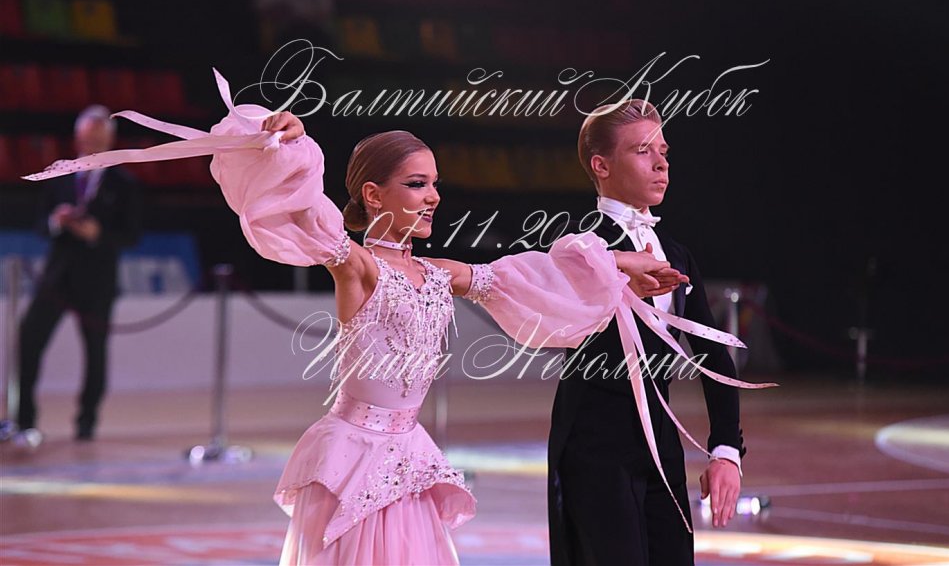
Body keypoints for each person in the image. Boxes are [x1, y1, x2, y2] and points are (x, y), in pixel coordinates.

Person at [23, 71, 719, 565]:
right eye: (416, 184)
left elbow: (524, 272)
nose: (433, 197)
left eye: (435, 183)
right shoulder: (356, 265)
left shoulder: (438, 272)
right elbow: (307, 215)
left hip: (408, 460)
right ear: (374, 195)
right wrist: (287, 142)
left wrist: (620, 266)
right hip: (354, 459)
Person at [547, 99, 755, 565]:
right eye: (643, 151)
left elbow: (714, 354)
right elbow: (558, 268)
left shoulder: (676, 255)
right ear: (601, 166)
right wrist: (617, 267)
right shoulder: (580, 247)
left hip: (662, 445)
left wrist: (725, 450)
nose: (661, 164)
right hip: (594, 449)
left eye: (663, 151)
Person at [16, 105, 142, 445]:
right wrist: (57, 221)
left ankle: (87, 422)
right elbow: (40, 225)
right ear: (77, 139)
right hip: (56, 277)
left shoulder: (124, 183)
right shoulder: (59, 174)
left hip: (97, 281)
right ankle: (24, 419)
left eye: (97, 140)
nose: (91, 146)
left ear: (110, 141)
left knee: (95, 353)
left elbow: (132, 234)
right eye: (86, 139)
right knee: (29, 341)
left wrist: (98, 233)